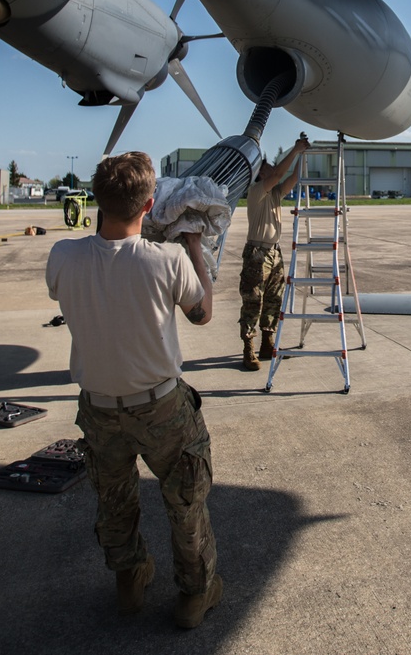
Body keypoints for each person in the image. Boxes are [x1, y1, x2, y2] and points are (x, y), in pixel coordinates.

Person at [45, 151, 222, 629]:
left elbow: (75, 286)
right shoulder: (166, 261)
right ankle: (194, 595)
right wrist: (194, 246)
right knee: (185, 501)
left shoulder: (63, 256)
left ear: (96, 201)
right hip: (160, 408)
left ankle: (129, 582)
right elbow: (202, 313)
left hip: (99, 409)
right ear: (149, 207)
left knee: (115, 500)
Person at [239, 134, 311, 370]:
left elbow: (294, 177)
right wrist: (295, 149)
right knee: (253, 302)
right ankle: (248, 348)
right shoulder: (257, 191)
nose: (273, 170)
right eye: (269, 167)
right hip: (257, 254)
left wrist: (302, 154)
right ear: (261, 174)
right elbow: (280, 174)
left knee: (273, 299)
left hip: (274, 253)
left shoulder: (276, 194)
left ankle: (268, 343)